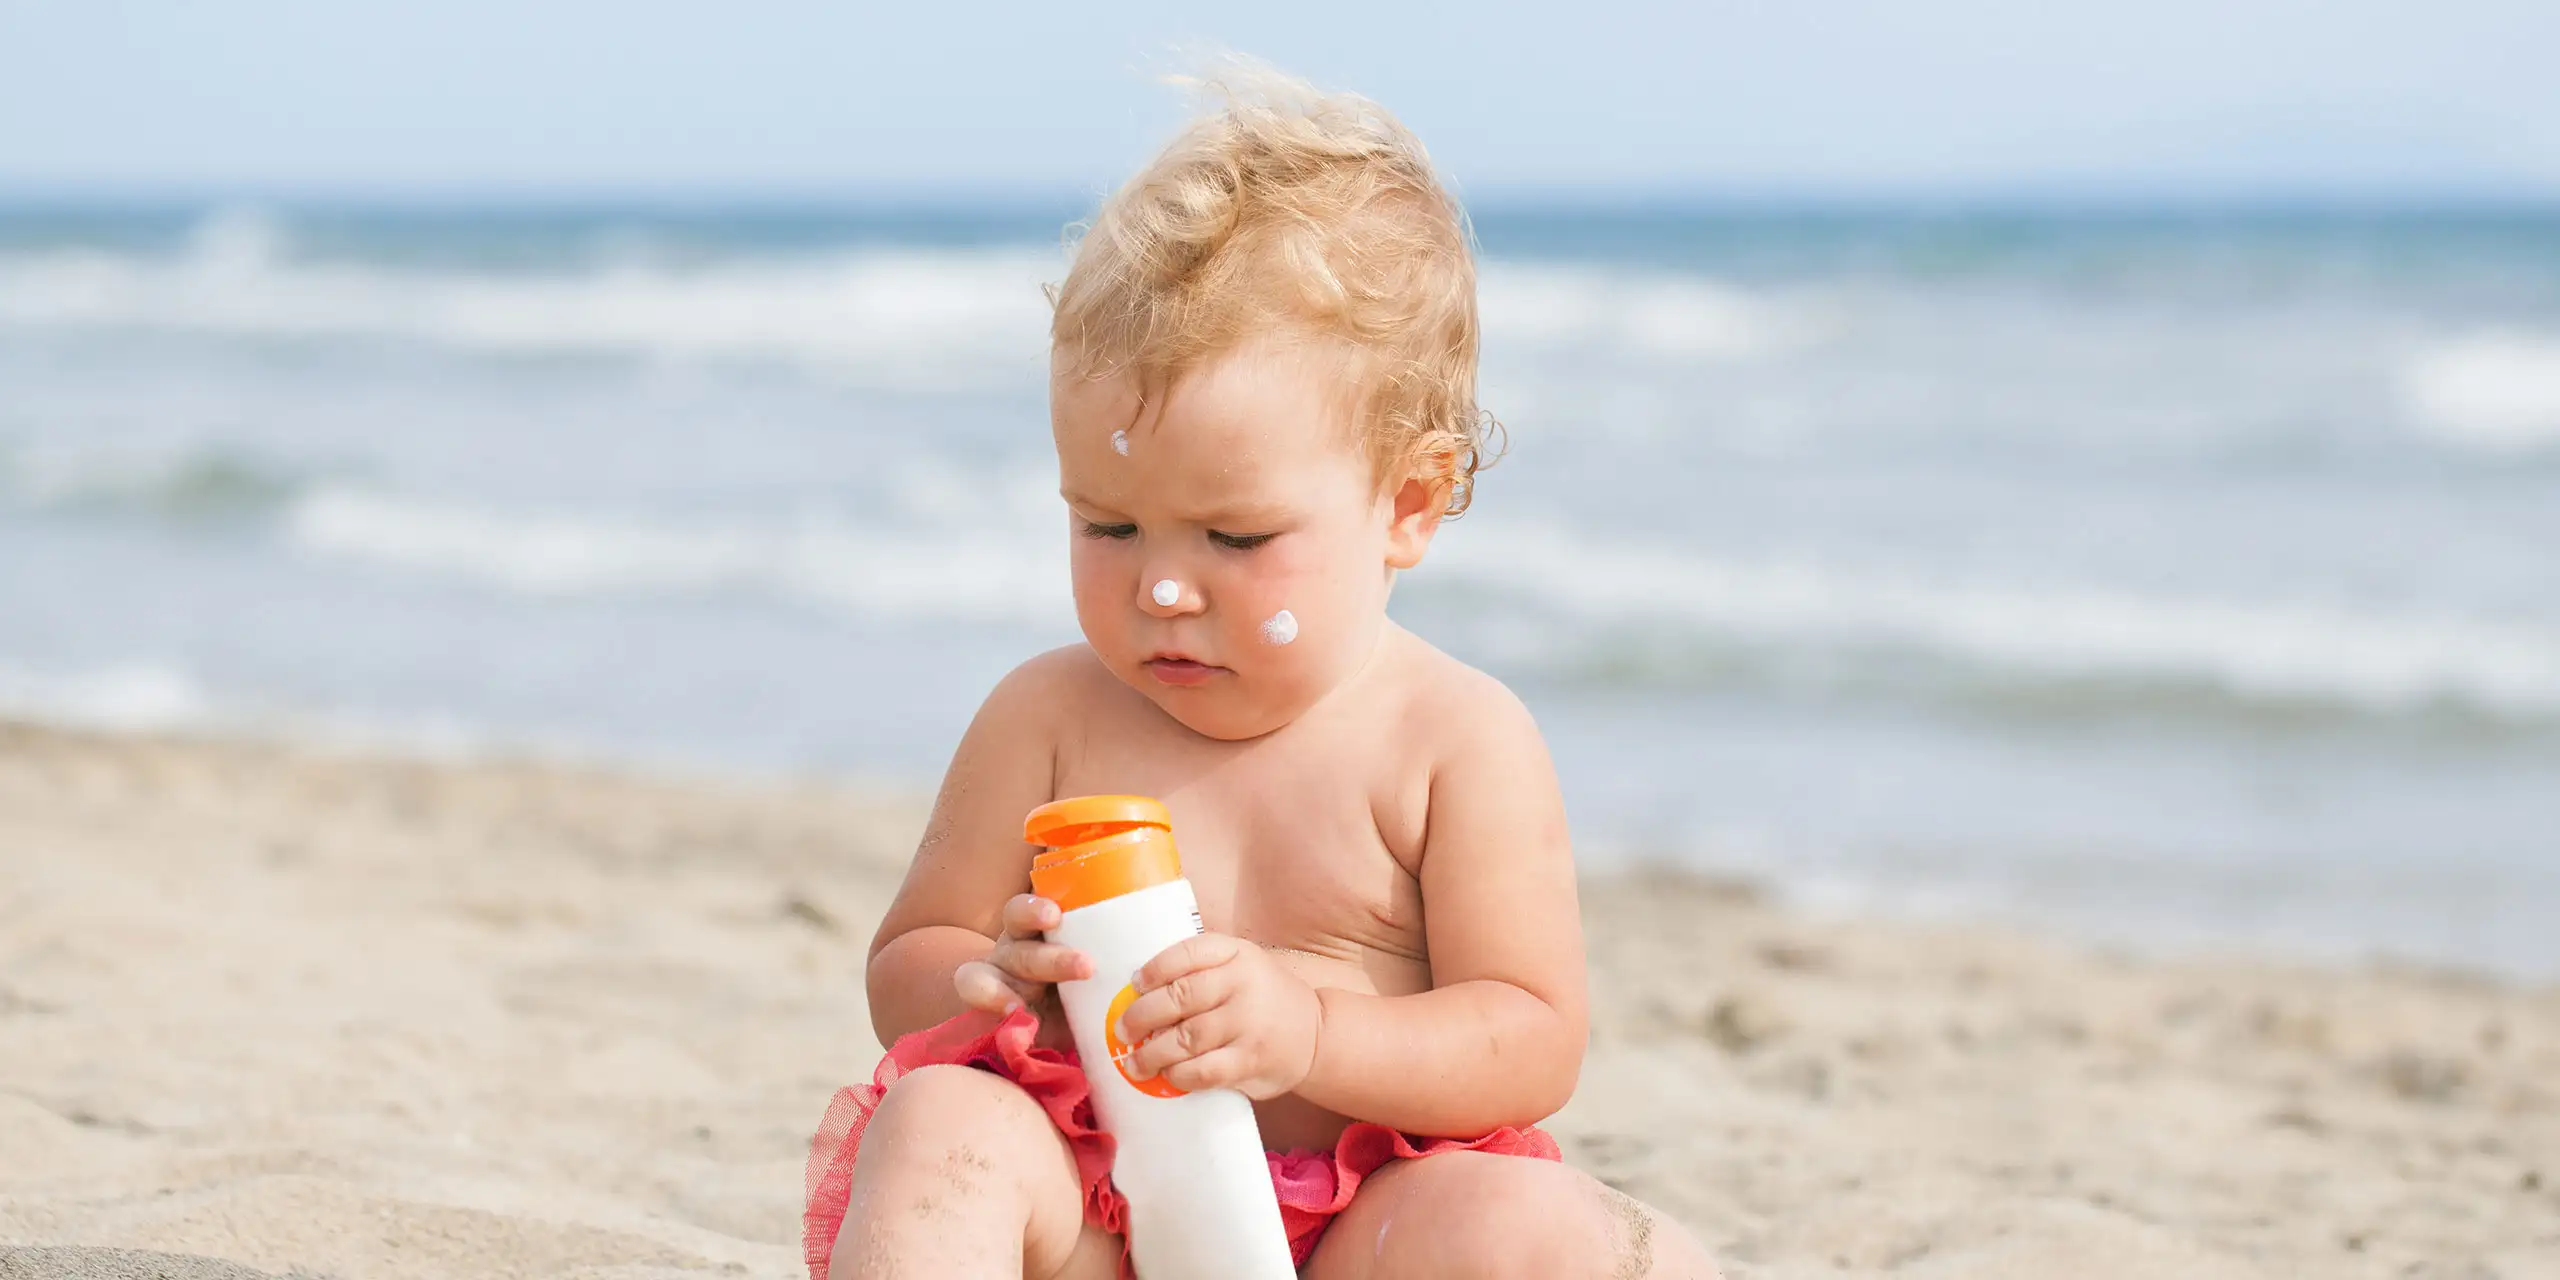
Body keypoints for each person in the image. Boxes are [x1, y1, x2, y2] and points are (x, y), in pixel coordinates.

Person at [804, 62, 1720, 1280]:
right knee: (940, 1126)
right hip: (1101, 1212)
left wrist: (1313, 1031)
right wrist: (990, 983)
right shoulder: (1049, 715)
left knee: (1526, 1227)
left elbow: (1528, 1037)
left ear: (1407, 503)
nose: (1160, 587)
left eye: (1234, 538)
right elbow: (907, 961)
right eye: (1108, 524)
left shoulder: (1454, 739)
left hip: (1359, 1230)